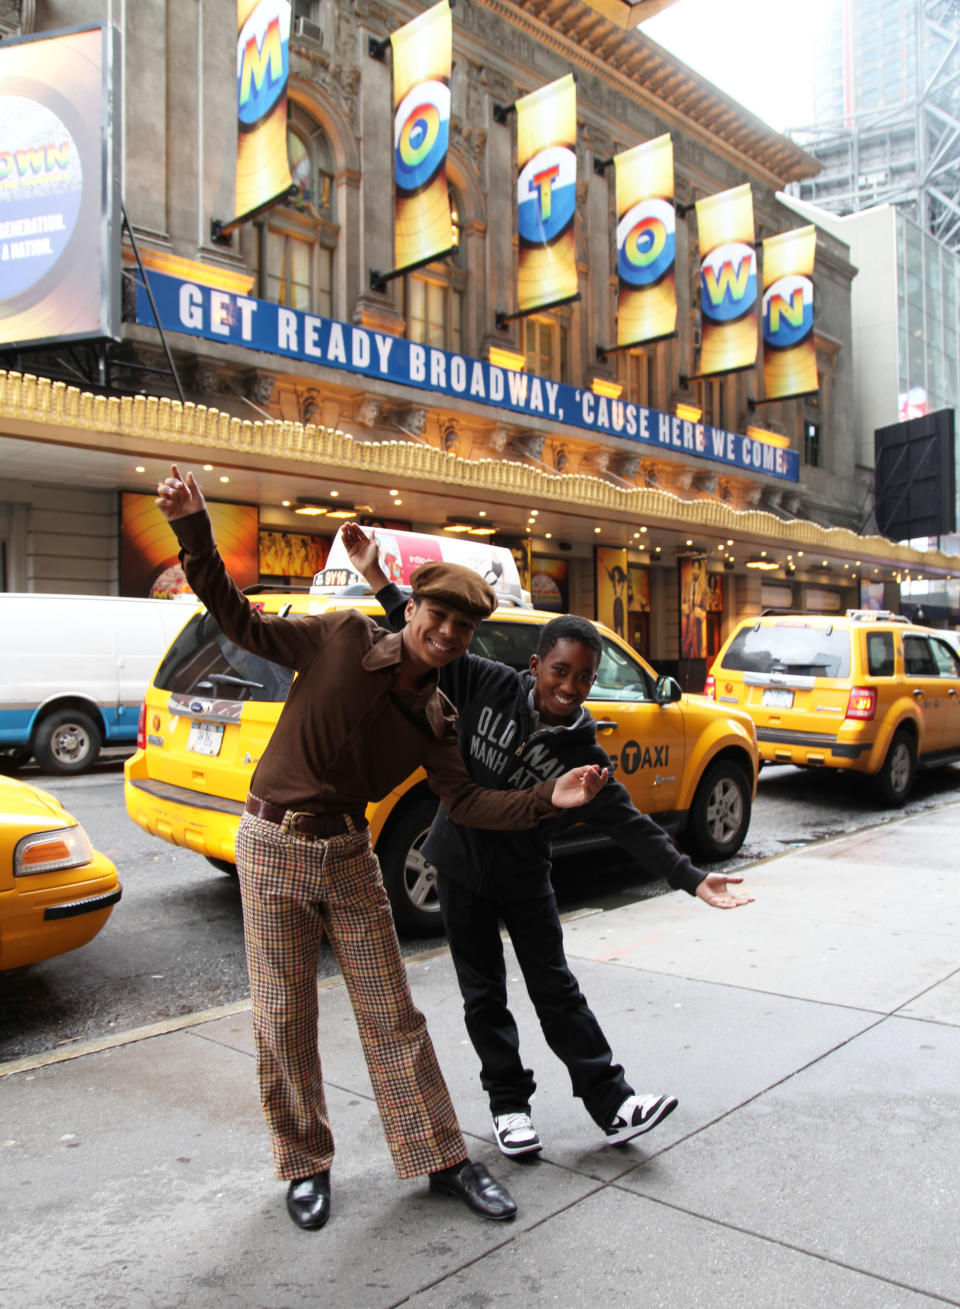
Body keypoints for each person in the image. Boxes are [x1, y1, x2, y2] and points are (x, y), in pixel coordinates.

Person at [154, 466, 607, 1232]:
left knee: (393, 1013)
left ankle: (441, 1156)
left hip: (350, 855)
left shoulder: (438, 715)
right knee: (284, 1014)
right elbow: (241, 621)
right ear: (414, 607)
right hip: (271, 844)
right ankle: (304, 1162)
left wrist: (545, 798)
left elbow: (464, 800)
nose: (448, 634)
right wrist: (195, 530)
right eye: (439, 615)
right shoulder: (340, 635)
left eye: (464, 628)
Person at [344, 524, 752, 1159]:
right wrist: (375, 575)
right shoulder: (481, 683)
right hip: (456, 866)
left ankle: (613, 1104)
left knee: (555, 988)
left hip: (524, 876)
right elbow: (424, 631)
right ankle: (509, 1106)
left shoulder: (583, 755)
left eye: (584, 678)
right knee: (484, 995)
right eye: (560, 671)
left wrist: (692, 877)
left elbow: (627, 820)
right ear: (535, 666)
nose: (570, 686)